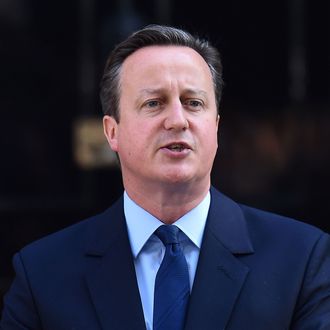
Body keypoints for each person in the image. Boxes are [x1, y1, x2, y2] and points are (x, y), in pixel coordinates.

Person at [1, 24, 330, 330]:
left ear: (215, 127)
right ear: (112, 132)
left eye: (193, 102)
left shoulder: (301, 259)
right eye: (154, 103)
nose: (177, 120)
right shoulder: (43, 274)